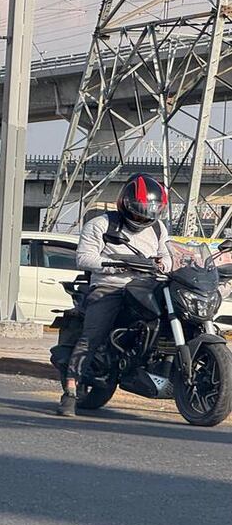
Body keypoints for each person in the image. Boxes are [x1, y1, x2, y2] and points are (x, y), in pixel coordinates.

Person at [58, 173, 172, 417]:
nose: (143, 217)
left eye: (149, 212)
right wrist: (113, 265)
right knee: (92, 336)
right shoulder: (100, 224)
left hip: (147, 287)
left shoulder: (158, 228)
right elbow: (84, 257)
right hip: (110, 287)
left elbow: (167, 255)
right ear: (125, 204)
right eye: (139, 210)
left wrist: (166, 264)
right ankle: (70, 391)